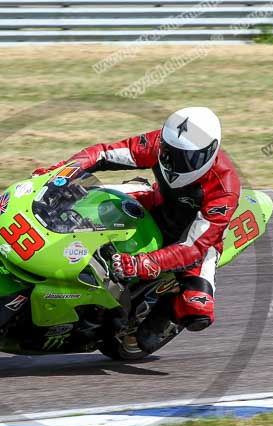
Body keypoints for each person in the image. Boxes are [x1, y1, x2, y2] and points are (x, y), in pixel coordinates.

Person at [32, 107, 241, 353]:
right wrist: (61, 172)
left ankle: (159, 312)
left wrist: (144, 264)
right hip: (153, 205)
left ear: (209, 153)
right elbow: (103, 154)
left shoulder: (224, 188)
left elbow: (193, 247)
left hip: (194, 241)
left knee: (197, 311)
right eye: (169, 153)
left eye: (187, 159)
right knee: (77, 201)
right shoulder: (160, 144)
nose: (174, 163)